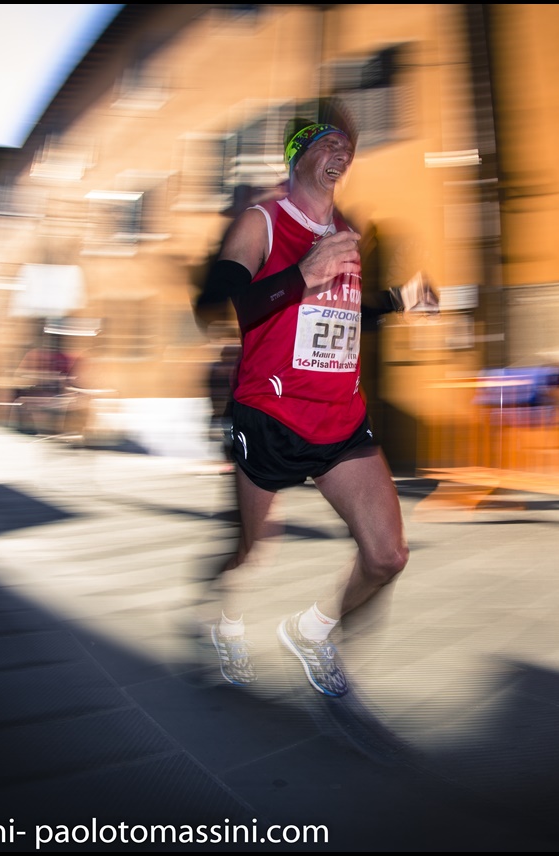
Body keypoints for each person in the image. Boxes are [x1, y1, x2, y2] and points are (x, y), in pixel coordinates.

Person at [197, 115, 436, 696]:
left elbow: (341, 314)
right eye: (328, 142)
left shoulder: (345, 231)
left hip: (340, 419)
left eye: (346, 146)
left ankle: (312, 631)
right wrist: (300, 274)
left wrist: (399, 300)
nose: (341, 151)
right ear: (298, 155)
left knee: (387, 556)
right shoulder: (263, 221)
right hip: (270, 415)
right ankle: (224, 616)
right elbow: (220, 306)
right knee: (250, 549)